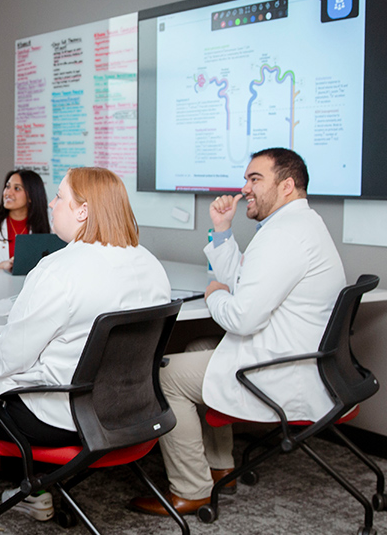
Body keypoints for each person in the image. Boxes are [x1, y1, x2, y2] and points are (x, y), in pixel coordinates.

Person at [0, 167, 171, 535]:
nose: (52, 205)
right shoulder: (150, 264)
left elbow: (11, 355)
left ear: (83, 211)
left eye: (60, 197)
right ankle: (34, 491)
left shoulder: (59, 269)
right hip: (129, 412)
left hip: (60, 419)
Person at [128, 148, 346, 516]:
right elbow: (246, 279)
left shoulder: (285, 236)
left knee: (164, 376)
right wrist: (223, 229)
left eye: (255, 179)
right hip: (296, 353)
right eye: (246, 179)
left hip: (283, 367)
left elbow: (242, 316)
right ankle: (219, 466)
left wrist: (215, 295)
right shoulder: (297, 225)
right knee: (199, 344)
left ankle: (191, 489)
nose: (244, 188)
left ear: (287, 185)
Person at [0, 169, 50, 272]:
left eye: (17, 188)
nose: (8, 193)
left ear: (31, 196)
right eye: (7, 187)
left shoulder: (47, 224)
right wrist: (0, 266)